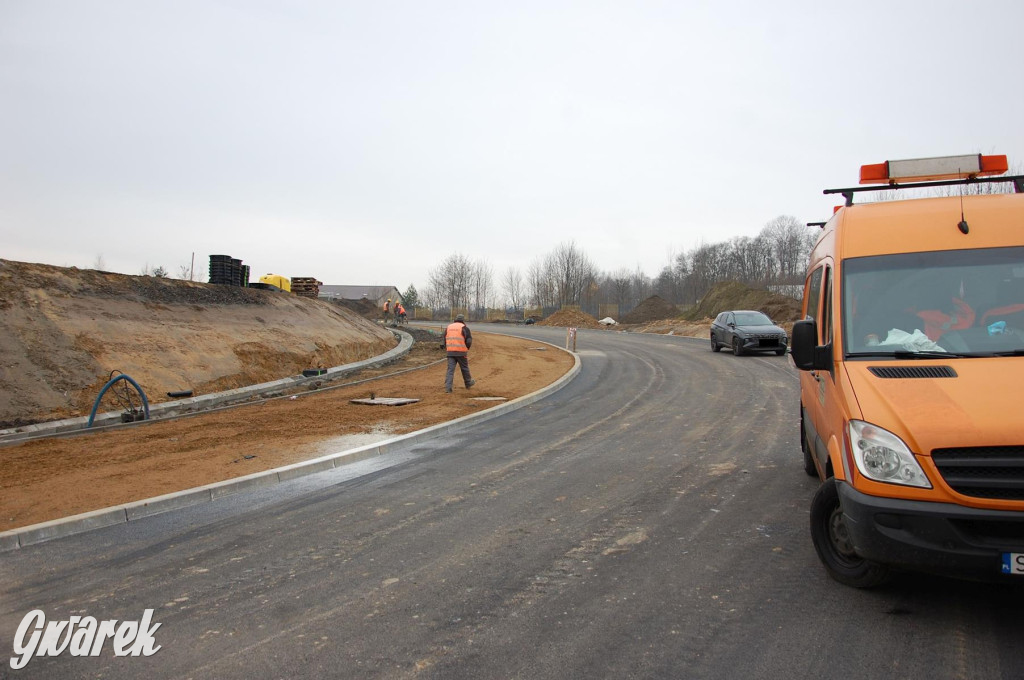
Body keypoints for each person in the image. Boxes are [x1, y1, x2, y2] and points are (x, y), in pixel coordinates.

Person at [442, 314, 476, 393]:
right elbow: (469, 341)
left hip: (450, 352)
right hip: (461, 352)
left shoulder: (449, 327)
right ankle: (468, 383)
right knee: (464, 368)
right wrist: (467, 348)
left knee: (450, 370)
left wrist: (446, 347)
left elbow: (444, 338)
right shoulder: (464, 328)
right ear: (463, 320)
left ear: (455, 320)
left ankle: (448, 388)